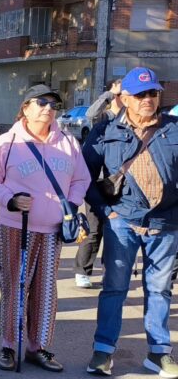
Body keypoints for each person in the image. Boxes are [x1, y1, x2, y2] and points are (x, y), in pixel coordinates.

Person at [0, 84, 90, 374]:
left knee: (45, 290)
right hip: (17, 225)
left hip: (52, 229)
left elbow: (81, 180)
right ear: (25, 107)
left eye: (53, 104)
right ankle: (8, 345)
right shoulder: (7, 142)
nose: (48, 108)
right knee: (15, 286)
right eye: (41, 102)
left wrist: (70, 204)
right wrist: (11, 199)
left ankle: (37, 347)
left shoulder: (68, 142)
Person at [83, 68, 178, 379]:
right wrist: (104, 212)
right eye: (140, 95)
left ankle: (159, 352)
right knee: (114, 288)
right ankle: (103, 350)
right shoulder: (105, 131)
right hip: (121, 221)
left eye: (152, 93)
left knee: (160, 289)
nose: (148, 99)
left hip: (166, 223)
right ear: (124, 99)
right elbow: (83, 176)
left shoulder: (174, 129)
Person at [76, 78, 124, 289]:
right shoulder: (104, 117)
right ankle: (82, 270)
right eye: (121, 94)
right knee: (95, 230)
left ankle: (109, 271)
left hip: (118, 184)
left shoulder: (128, 119)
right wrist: (108, 95)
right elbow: (90, 115)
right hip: (96, 182)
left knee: (115, 232)